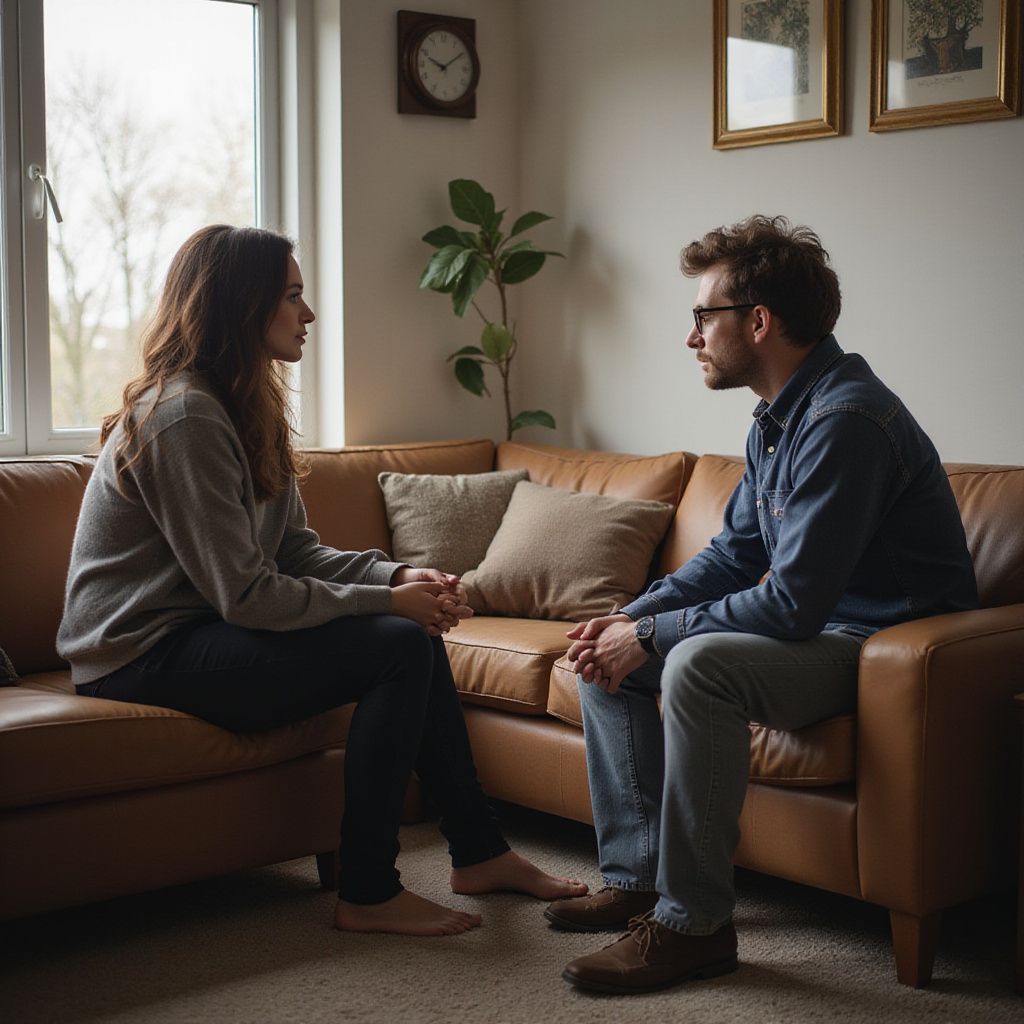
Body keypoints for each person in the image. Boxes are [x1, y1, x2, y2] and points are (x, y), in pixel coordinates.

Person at [57, 224, 586, 938]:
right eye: (292, 296)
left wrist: (401, 575)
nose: (307, 315)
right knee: (398, 641)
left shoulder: (249, 407)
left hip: (202, 631)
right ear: (240, 307)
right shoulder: (184, 417)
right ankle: (368, 892)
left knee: (412, 632)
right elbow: (246, 594)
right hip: (136, 654)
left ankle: (480, 853)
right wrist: (386, 601)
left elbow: (295, 552)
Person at [546, 215, 978, 993]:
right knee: (604, 658)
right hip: (822, 630)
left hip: (882, 648)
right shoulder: (779, 420)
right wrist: (630, 620)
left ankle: (693, 928)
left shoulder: (847, 419)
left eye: (701, 316)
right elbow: (737, 553)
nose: (692, 339)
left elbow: (791, 605)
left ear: (758, 321)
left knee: (700, 664)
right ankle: (641, 877)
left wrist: (654, 634)